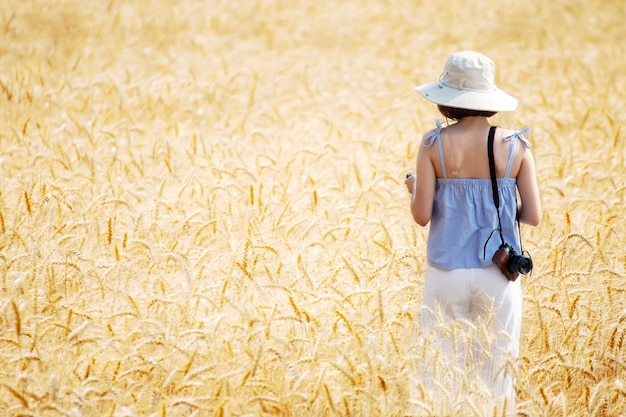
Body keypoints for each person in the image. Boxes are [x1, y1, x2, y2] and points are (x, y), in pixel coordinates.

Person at [404, 51, 541, 416]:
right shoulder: (515, 145)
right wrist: (493, 205)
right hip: (498, 274)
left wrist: (417, 189)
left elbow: (421, 216)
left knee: (437, 378)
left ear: (447, 99)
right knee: (497, 378)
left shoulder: (433, 144)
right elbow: (534, 215)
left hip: (445, 274)